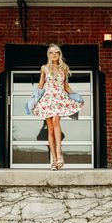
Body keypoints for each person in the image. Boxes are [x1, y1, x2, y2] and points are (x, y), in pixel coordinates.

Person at [33, 43, 84, 171]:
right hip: (48, 99)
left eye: (56, 52)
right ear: (48, 55)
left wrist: (76, 96)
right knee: (50, 130)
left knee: (56, 120)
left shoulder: (64, 68)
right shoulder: (44, 68)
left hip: (59, 98)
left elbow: (66, 86)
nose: (54, 54)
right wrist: (34, 99)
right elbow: (41, 84)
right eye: (51, 52)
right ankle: (54, 161)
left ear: (59, 54)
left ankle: (59, 153)